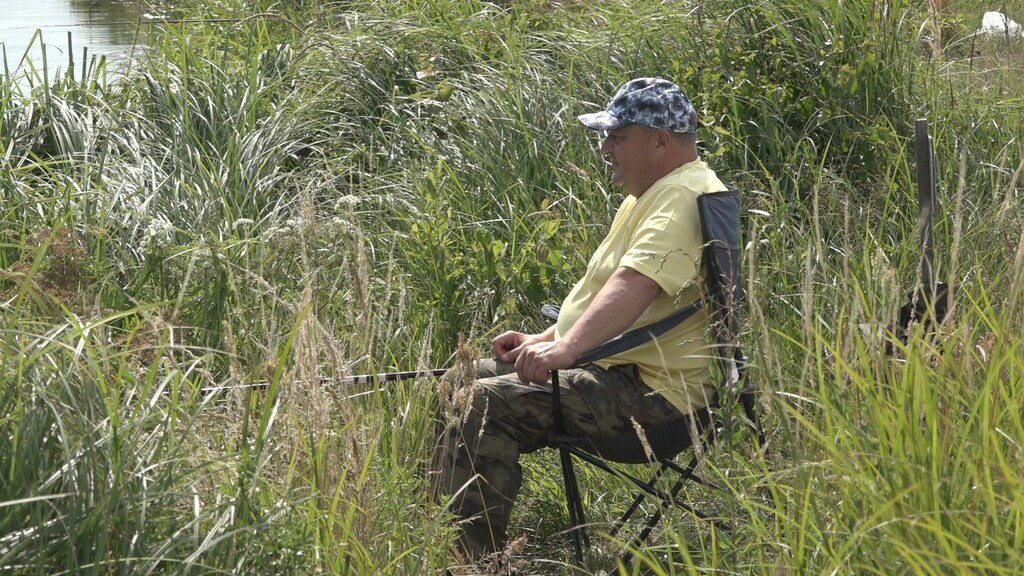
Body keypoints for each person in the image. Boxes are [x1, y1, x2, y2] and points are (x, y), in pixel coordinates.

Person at [432, 77, 729, 561]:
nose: (605, 148)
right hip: (616, 374)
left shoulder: (680, 195)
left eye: (618, 136)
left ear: (660, 140)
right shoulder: (654, 193)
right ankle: (450, 545)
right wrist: (547, 337)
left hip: (654, 398)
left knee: (483, 403)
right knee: (458, 382)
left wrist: (565, 351)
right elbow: (609, 293)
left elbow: (636, 285)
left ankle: (471, 564)